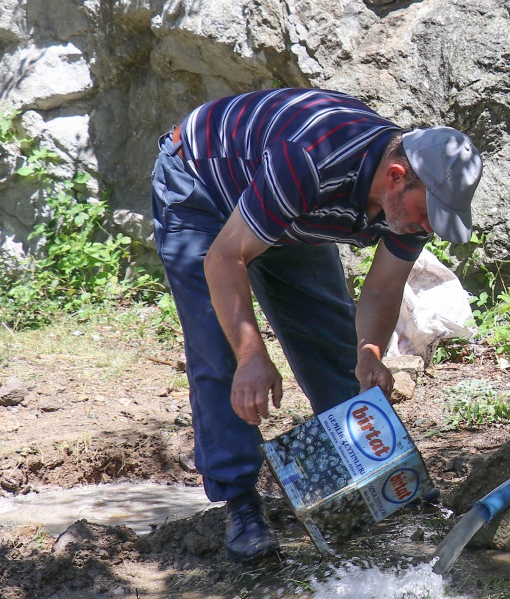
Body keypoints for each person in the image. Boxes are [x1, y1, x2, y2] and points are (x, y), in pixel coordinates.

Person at [151, 88, 482, 562]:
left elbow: (385, 289)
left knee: (333, 344)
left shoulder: (403, 209)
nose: (427, 228)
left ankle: (383, 489)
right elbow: (227, 256)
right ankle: (242, 505)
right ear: (396, 177)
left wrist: (369, 354)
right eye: (427, 215)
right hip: (203, 187)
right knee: (222, 352)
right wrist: (252, 354)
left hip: (283, 207)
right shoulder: (310, 160)